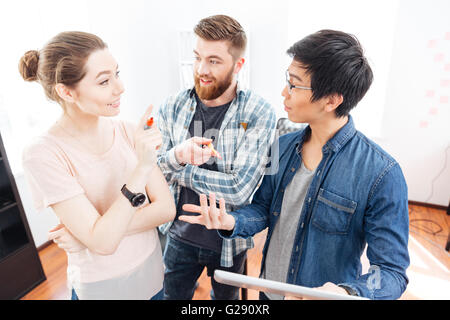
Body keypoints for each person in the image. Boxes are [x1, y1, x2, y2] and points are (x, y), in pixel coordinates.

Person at [180, 29, 410, 300]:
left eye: (294, 84)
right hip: (269, 292)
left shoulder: (381, 173)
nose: (283, 92)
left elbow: (392, 271)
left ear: (332, 100)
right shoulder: (284, 145)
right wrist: (232, 221)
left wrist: (346, 292)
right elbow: (264, 209)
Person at [19, 31, 176, 300]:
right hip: (104, 289)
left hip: (152, 277)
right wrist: (141, 170)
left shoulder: (128, 132)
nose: (120, 87)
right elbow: (103, 243)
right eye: (104, 81)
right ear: (66, 91)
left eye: (117, 73)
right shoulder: (43, 153)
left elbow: (165, 209)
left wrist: (90, 234)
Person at [157, 15, 277, 300]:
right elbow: (153, 171)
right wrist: (174, 158)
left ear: (238, 65)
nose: (201, 69)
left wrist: (177, 163)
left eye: (214, 60)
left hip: (229, 241)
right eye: (198, 57)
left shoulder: (259, 112)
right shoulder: (171, 106)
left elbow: (240, 188)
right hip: (177, 233)